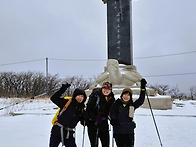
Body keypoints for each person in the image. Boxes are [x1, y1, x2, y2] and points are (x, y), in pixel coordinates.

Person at [110, 78, 147, 147]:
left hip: (129, 132)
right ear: (122, 95)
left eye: (128, 95)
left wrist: (142, 88)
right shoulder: (116, 104)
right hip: (119, 132)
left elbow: (141, 100)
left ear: (130, 97)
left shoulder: (132, 105)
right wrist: (113, 120)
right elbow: (112, 114)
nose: (126, 97)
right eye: (125, 94)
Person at [86, 81, 115, 147]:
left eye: (108, 89)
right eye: (104, 89)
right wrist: (96, 118)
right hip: (93, 124)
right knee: (94, 144)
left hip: (104, 123)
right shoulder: (95, 97)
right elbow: (89, 110)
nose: (106, 91)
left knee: (106, 144)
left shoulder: (111, 98)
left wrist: (113, 118)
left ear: (110, 90)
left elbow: (112, 111)